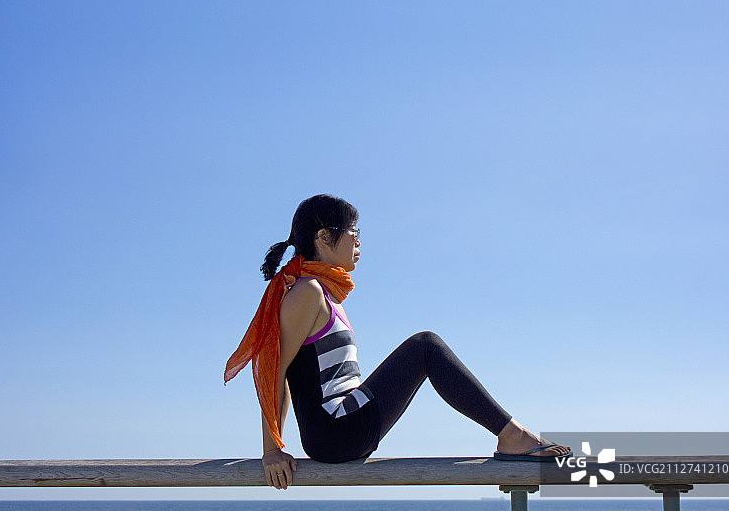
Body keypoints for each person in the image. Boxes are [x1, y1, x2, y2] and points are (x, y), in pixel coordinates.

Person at [225, 194, 571, 490]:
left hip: (342, 426)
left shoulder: (325, 295)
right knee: (425, 346)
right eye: (353, 233)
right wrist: (272, 449)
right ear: (323, 237)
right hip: (334, 429)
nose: (359, 242)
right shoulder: (307, 292)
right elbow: (274, 370)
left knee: (424, 347)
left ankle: (513, 435)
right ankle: (512, 435)